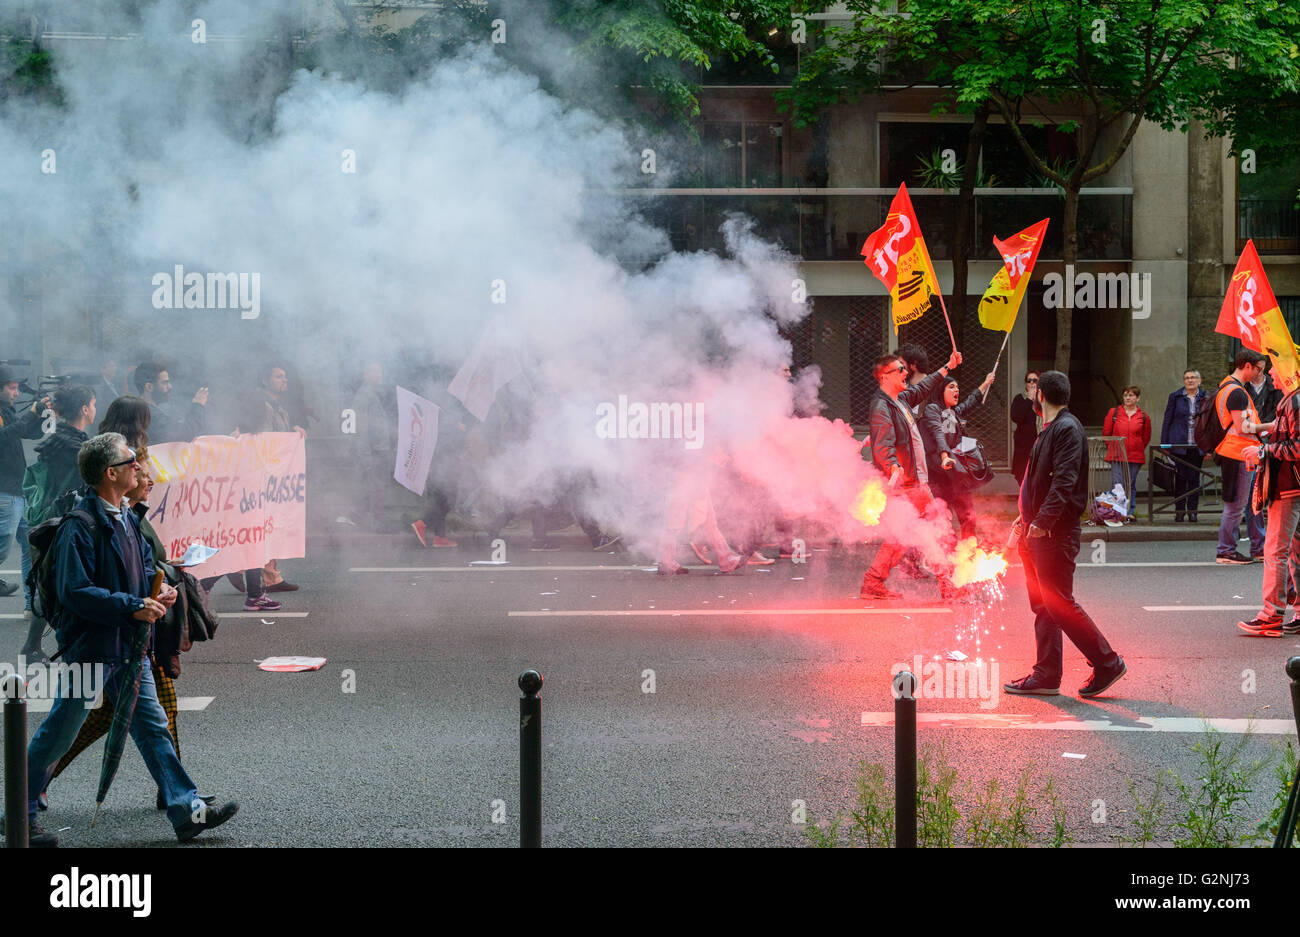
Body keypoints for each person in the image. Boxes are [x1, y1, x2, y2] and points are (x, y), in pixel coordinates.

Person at [22, 433, 238, 846]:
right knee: (59, 732)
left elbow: (139, 574)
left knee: (154, 727)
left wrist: (160, 594)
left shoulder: (126, 517)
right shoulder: (80, 527)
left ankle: (186, 808)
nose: (139, 467)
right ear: (111, 473)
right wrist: (132, 605)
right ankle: (18, 814)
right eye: (130, 462)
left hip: (130, 648)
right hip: (92, 651)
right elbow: (75, 591)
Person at [1004, 371, 1127, 698]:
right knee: (1045, 605)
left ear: (1040, 395)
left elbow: (1064, 482)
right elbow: (1039, 483)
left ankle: (1107, 662)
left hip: (1052, 535)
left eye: (1034, 392)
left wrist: (1042, 522)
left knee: (1059, 604)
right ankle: (1046, 674)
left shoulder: (1067, 429)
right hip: (1037, 533)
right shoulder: (1050, 428)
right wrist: (1025, 516)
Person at [859, 348, 962, 600]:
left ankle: (873, 582)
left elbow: (923, 388)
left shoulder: (900, 399)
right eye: (900, 369)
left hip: (912, 483)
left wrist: (947, 367)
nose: (906, 373)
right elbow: (883, 445)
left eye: (905, 368)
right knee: (938, 529)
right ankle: (948, 585)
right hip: (908, 485)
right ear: (884, 376)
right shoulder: (882, 406)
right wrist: (893, 466)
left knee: (900, 538)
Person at [18, 385, 97, 660]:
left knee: (52, 579)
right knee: (57, 580)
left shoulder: (61, 438)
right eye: (93, 404)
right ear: (85, 409)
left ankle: (33, 645)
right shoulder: (71, 445)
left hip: (56, 515)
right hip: (62, 517)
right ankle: (46, 646)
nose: (95, 409)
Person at [1236, 385, 1300, 636]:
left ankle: (1271, 615)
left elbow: (1296, 445)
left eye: (1274, 366)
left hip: (1288, 486)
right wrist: (1263, 431)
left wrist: (1262, 450)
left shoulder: (1295, 400)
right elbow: (1286, 431)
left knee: (1275, 551)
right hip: (1292, 486)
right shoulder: (1292, 399)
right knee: (1295, 552)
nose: (1271, 375)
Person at [921, 371, 996, 541]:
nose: (957, 390)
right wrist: (945, 456)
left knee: (969, 518)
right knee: (939, 523)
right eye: (952, 387)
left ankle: (968, 557)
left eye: (958, 387)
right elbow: (938, 434)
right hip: (939, 477)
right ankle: (937, 560)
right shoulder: (933, 409)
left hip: (956, 477)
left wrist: (985, 383)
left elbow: (970, 401)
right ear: (941, 391)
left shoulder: (953, 413)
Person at [0, 366, 49, 604]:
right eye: (12, 387)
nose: (16, 393)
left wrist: (41, 415)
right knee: (3, 542)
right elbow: (4, 437)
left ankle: (32, 603)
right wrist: (30, 414)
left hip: (17, 489)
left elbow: (27, 432)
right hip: (3, 490)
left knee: (30, 545)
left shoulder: (7, 411)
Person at [1212, 350, 1266, 564]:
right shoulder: (1237, 392)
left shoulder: (1228, 387)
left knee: (1252, 504)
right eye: (1259, 369)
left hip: (1241, 453)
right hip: (1239, 453)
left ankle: (1257, 548)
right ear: (1248, 366)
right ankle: (1226, 551)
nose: (1260, 374)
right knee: (1237, 505)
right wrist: (1268, 426)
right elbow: (1242, 427)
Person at [1160, 370, 1208, 523]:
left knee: (1194, 479)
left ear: (1199, 381)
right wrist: (1164, 443)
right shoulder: (1175, 397)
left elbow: (1210, 423)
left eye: (1193, 378)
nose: (1190, 381)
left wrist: (1209, 447)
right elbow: (1167, 420)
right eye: (1187, 378)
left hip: (1197, 445)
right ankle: (1179, 511)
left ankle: (1193, 511)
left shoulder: (1206, 398)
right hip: (1179, 444)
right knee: (1180, 479)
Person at [1245, 365, 1282, 556]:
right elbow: (1244, 424)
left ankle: (1262, 546)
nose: (1268, 373)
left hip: (1265, 446)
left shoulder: (1280, 393)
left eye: (1268, 370)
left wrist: (1263, 434)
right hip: (1254, 448)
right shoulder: (1241, 389)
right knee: (1254, 497)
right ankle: (1259, 546)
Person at [1102, 386, 1152, 519]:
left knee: (1130, 483)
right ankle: (1118, 511)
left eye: (1131, 395)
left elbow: (1145, 437)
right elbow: (1106, 433)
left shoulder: (1143, 416)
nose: (1128, 398)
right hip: (1117, 454)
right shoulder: (1114, 412)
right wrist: (1113, 447)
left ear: (1138, 398)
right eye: (1125, 395)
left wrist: (1137, 447)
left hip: (1135, 455)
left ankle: (1129, 512)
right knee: (1118, 484)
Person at [133, 362, 207, 444]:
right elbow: (184, 434)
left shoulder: (136, 408)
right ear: (149, 387)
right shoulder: (148, 413)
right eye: (165, 383)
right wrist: (198, 405)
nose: (170, 386)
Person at [1010, 371, 1041, 483]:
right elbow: (1016, 417)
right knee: (1022, 477)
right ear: (1026, 384)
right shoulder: (1020, 398)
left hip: (1039, 445)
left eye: (1035, 380)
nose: (1032, 383)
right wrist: (1029, 400)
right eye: (1029, 381)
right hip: (1024, 447)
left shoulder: (1043, 400)